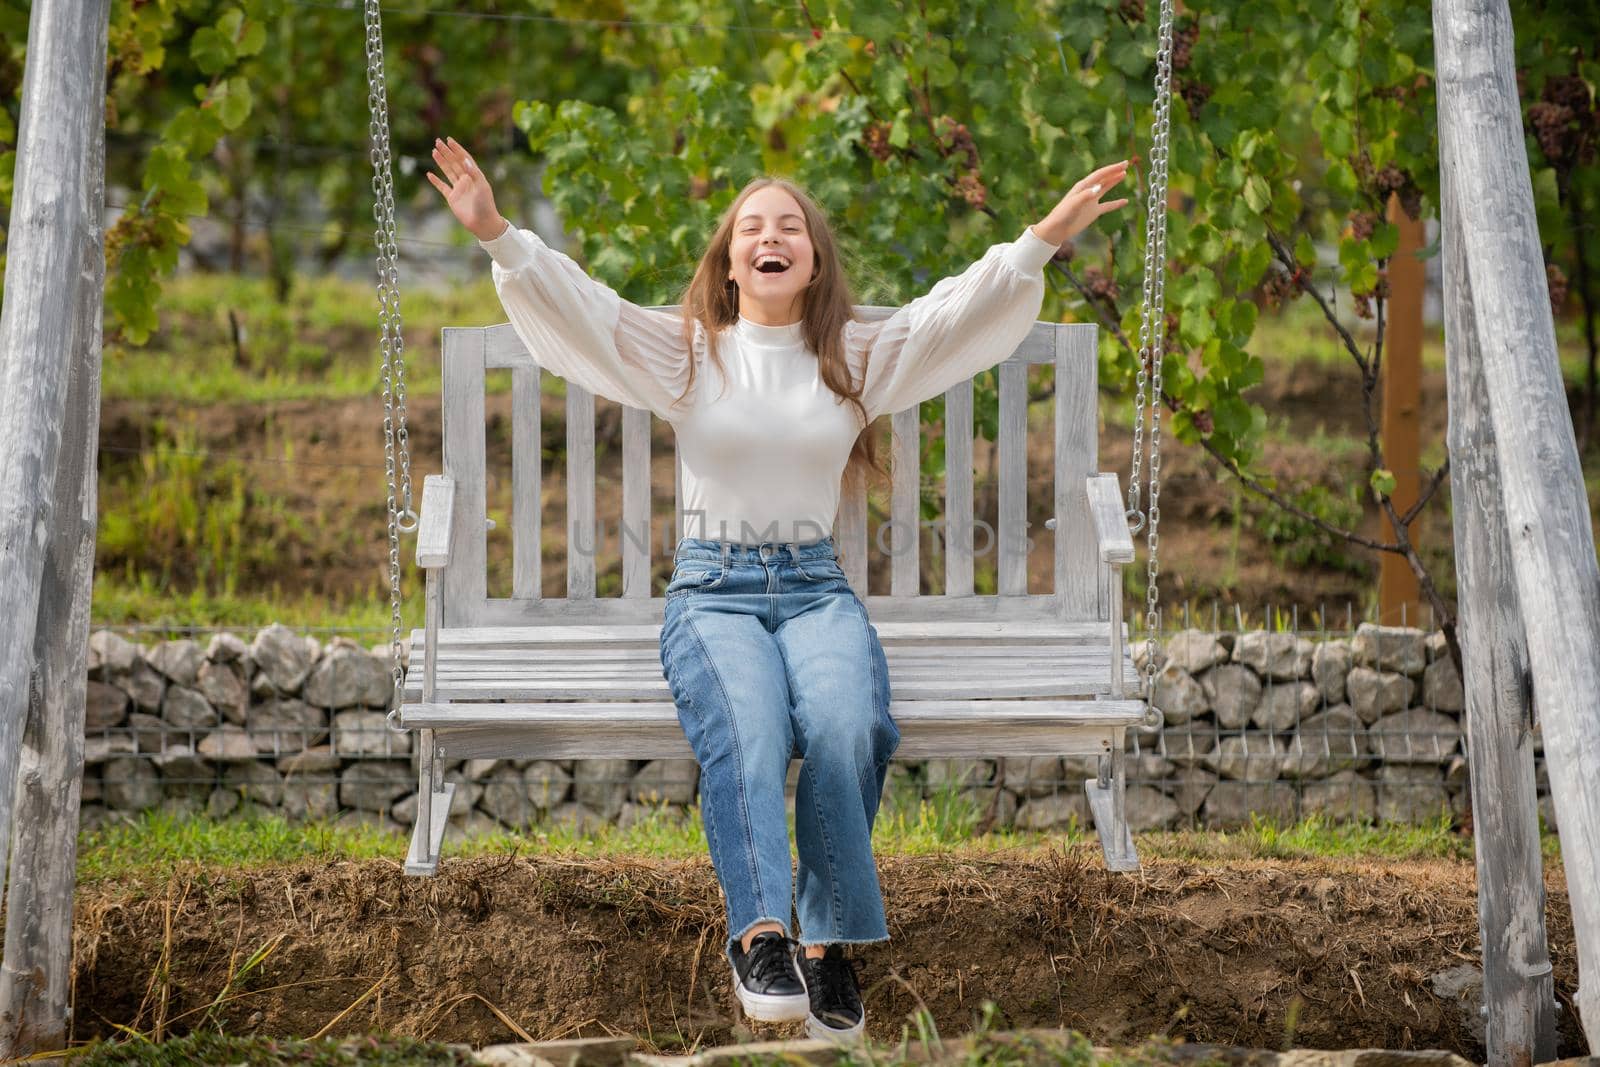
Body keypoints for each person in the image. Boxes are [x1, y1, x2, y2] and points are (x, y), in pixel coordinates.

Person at [427, 135, 1128, 1043]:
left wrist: (1040, 239)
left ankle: (831, 942)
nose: (770, 235)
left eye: (789, 225)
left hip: (814, 589)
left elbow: (954, 313)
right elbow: (588, 311)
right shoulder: (687, 352)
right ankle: (762, 937)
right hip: (712, 592)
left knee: (849, 722)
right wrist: (498, 237)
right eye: (750, 226)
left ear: (812, 258)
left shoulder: (855, 356)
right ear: (727, 261)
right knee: (749, 731)